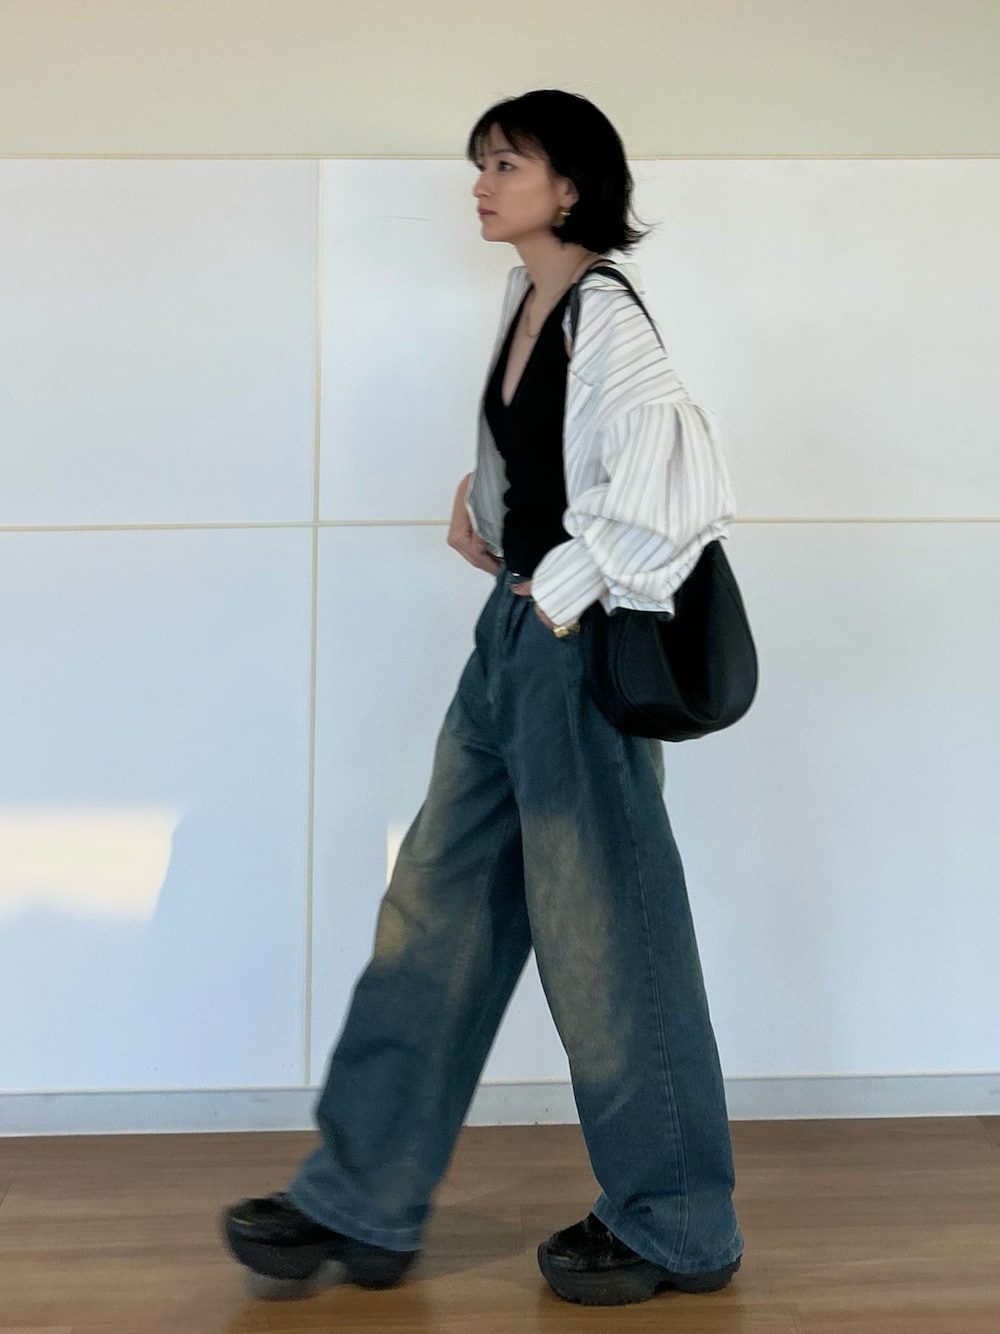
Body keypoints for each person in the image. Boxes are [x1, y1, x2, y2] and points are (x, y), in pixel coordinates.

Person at [223, 88, 744, 1308]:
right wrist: (490, 509)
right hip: (507, 638)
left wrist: (556, 590)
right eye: (481, 163)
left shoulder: (605, 312)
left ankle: (678, 1220)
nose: (481, 182)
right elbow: (563, 458)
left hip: (570, 651)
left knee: (608, 936)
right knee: (435, 910)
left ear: (571, 186)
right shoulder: (527, 298)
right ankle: (358, 1197)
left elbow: (674, 487)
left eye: (506, 163)